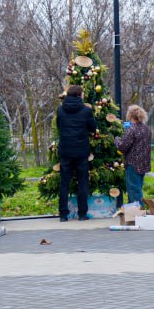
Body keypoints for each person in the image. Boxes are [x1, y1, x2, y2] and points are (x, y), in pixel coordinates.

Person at [56, 84, 97, 221]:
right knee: (83, 182)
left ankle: (63, 214)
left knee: (64, 183)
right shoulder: (86, 110)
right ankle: (82, 213)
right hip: (81, 151)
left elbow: (58, 126)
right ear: (80, 95)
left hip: (65, 150)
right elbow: (93, 127)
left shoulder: (60, 110)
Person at [115, 104, 152, 207]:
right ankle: (133, 210)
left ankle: (138, 211)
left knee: (134, 190)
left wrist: (116, 139)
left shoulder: (132, 130)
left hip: (133, 164)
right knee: (138, 187)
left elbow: (122, 147)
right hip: (144, 163)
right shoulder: (146, 129)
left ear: (130, 115)